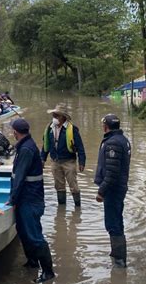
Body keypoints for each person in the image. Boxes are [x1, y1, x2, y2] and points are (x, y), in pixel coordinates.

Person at [7, 119, 55, 283]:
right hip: (25, 197)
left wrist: (12, 199)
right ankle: (32, 262)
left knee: (34, 235)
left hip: (30, 198)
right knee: (23, 230)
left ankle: (48, 272)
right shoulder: (24, 146)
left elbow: (19, 176)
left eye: (12, 130)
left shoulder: (26, 149)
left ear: (15, 132)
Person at [94, 114, 131, 268]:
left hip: (113, 189)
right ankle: (116, 253)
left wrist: (101, 191)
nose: (102, 126)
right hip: (118, 188)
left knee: (112, 223)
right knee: (117, 220)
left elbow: (112, 173)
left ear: (106, 126)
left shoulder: (113, 143)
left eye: (103, 124)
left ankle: (119, 260)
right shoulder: (122, 139)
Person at [41, 104, 86, 207]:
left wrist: (82, 162)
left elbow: (80, 147)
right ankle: (61, 209)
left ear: (63, 117)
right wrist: (42, 159)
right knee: (59, 186)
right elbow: (45, 145)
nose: (54, 117)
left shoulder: (72, 129)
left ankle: (77, 208)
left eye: (57, 115)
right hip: (55, 161)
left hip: (69, 161)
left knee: (73, 186)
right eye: (54, 115)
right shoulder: (49, 129)